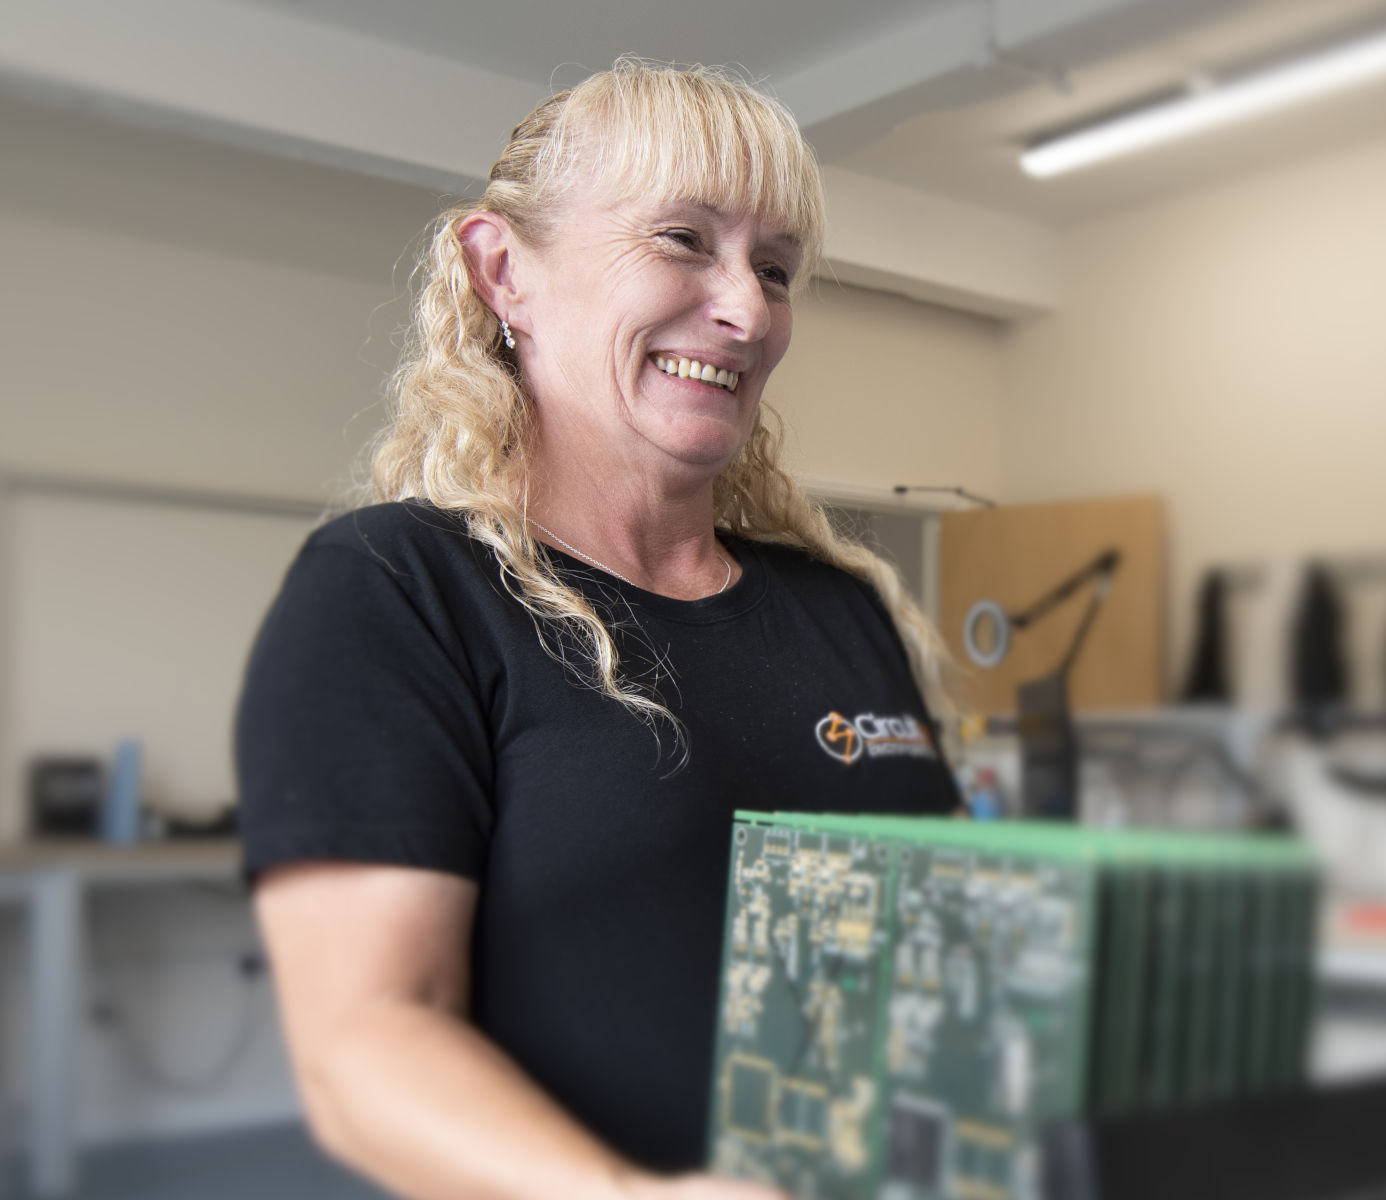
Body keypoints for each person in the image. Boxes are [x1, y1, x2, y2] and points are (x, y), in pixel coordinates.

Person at [235, 59, 961, 1200]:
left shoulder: (841, 609)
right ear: (502, 269)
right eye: (682, 240)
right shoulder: (399, 592)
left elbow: (942, 970)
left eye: (775, 267)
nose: (749, 309)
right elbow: (364, 1042)